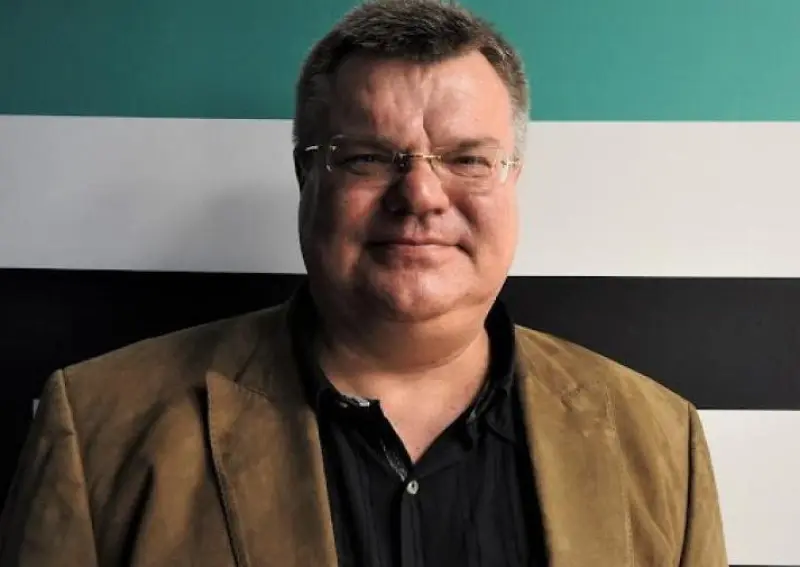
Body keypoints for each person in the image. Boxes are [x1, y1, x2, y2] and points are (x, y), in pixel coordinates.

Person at [0, 1, 728, 565]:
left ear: (513, 179)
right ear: (306, 175)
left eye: (467, 159)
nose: (421, 196)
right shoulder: (101, 429)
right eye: (369, 158)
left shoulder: (662, 441)